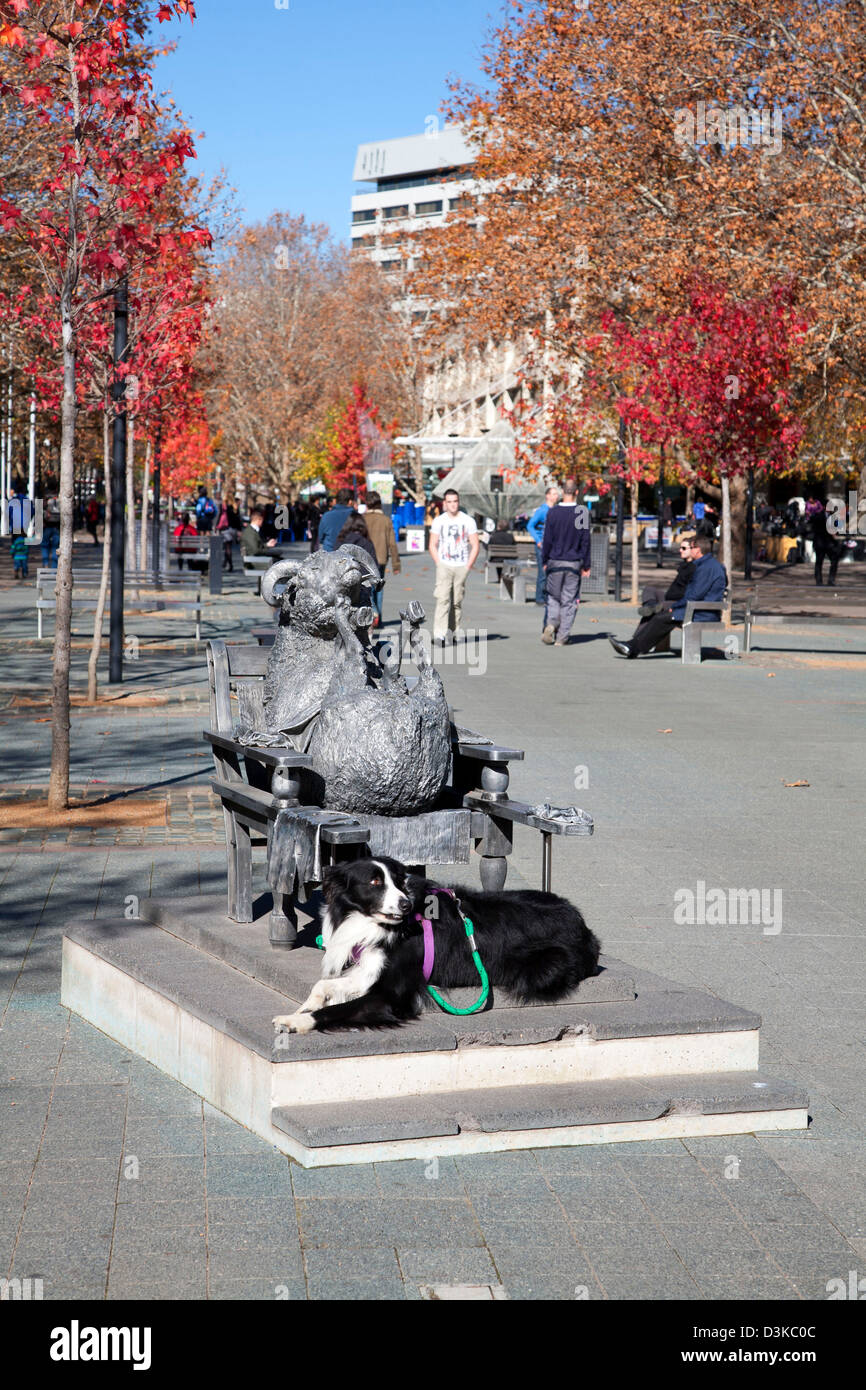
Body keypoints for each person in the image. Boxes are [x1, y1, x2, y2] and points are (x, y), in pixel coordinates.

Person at [608, 534, 726, 657]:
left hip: (702, 612)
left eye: (691, 547)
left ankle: (633, 648)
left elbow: (695, 595)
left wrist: (675, 606)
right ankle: (632, 646)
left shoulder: (706, 567)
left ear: (697, 549)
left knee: (662, 617)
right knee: (661, 615)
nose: (690, 550)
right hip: (698, 609)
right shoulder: (707, 564)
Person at [540, 478, 592, 646]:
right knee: (569, 601)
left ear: (562, 492)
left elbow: (547, 538)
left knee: (553, 598)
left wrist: (545, 559)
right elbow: (585, 539)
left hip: (555, 560)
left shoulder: (553, 512)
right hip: (573, 561)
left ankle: (551, 624)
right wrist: (586, 564)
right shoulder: (581, 512)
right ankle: (562, 637)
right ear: (577, 492)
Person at [429, 488, 480, 644]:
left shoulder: (468, 521)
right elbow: (432, 544)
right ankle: (439, 634)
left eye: (455, 501)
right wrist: (439, 563)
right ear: (445, 503)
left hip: (461, 565)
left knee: (456, 601)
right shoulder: (439, 521)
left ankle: (453, 633)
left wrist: (467, 566)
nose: (453, 505)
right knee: (442, 599)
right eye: (449, 502)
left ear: (459, 502)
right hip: (444, 564)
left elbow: (475, 545)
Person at [362, 490, 401, 628]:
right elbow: (392, 544)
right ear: (379, 504)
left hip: (364, 559)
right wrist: (396, 564)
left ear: (366, 503)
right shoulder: (386, 520)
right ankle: (379, 618)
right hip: (381, 559)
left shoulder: (361, 519)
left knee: (366, 588)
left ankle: (373, 614)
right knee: (378, 588)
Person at [527, 485, 561, 605]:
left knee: (552, 572)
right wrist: (538, 540)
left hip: (554, 547)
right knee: (543, 572)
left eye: (556, 494)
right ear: (547, 496)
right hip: (543, 547)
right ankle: (540, 598)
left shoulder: (557, 510)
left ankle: (549, 597)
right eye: (553, 493)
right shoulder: (542, 511)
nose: (556, 496)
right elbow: (530, 526)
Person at [809, 501, 844, 587]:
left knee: (834, 560)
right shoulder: (818, 515)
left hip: (830, 544)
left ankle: (831, 580)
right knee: (819, 562)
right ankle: (819, 581)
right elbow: (812, 525)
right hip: (820, 543)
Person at [316, 488, 355, 553]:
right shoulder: (356, 516)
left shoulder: (326, 515)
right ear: (350, 501)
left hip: (330, 553)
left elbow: (321, 537)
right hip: (350, 555)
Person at [41, 490, 61, 569]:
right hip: (56, 527)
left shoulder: (46, 499)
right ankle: (54, 568)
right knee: (55, 547)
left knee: (45, 546)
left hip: (47, 526)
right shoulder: (59, 500)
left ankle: (45, 564)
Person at [216, 501, 235, 572]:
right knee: (228, 547)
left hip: (225, 528)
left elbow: (219, 515)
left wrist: (216, 525)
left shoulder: (224, 506)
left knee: (227, 547)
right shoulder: (234, 506)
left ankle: (229, 564)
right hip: (232, 528)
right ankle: (226, 562)